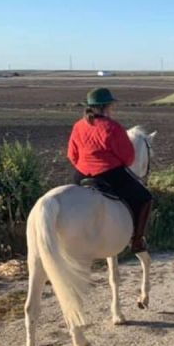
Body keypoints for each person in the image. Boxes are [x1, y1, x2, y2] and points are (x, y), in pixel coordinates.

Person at [67, 88, 153, 253]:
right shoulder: (112, 127)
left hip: (81, 174)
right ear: (106, 107)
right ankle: (137, 241)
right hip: (108, 174)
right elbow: (128, 158)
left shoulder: (78, 125)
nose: (113, 109)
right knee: (145, 198)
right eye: (112, 106)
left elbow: (72, 155)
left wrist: (85, 165)